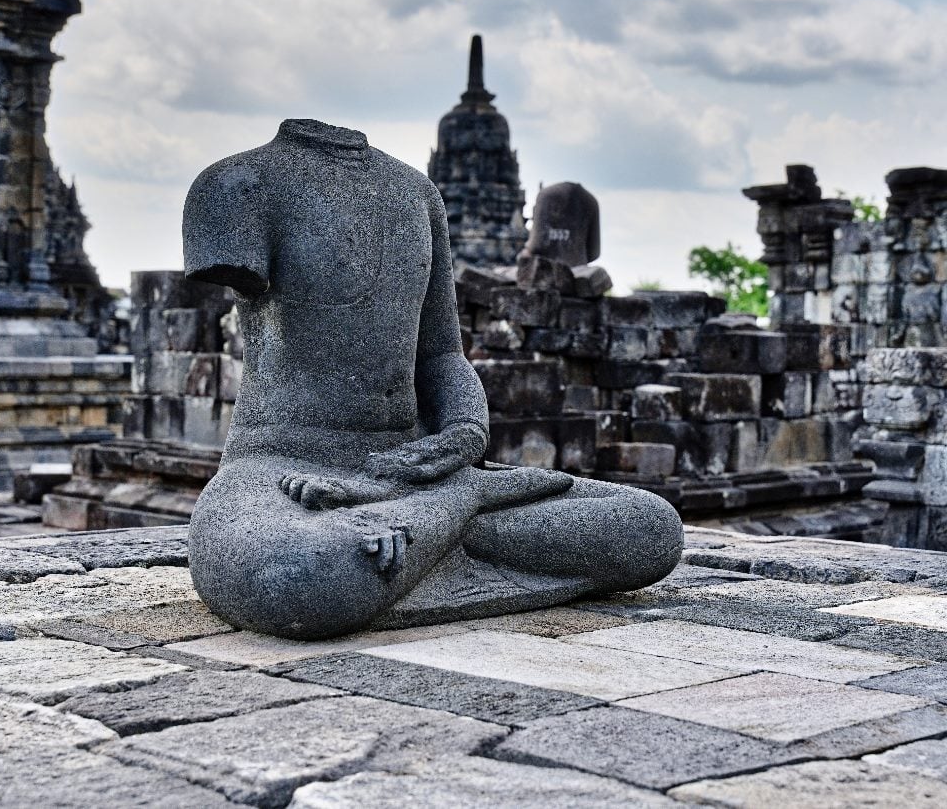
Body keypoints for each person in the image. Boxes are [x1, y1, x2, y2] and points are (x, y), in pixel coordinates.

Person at [183, 119, 682, 640]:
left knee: (649, 527)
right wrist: (460, 490)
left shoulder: (416, 193)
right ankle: (463, 507)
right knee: (298, 575)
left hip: (417, 469)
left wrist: (466, 428)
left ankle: (430, 524)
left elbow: (442, 352)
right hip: (281, 468)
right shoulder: (237, 184)